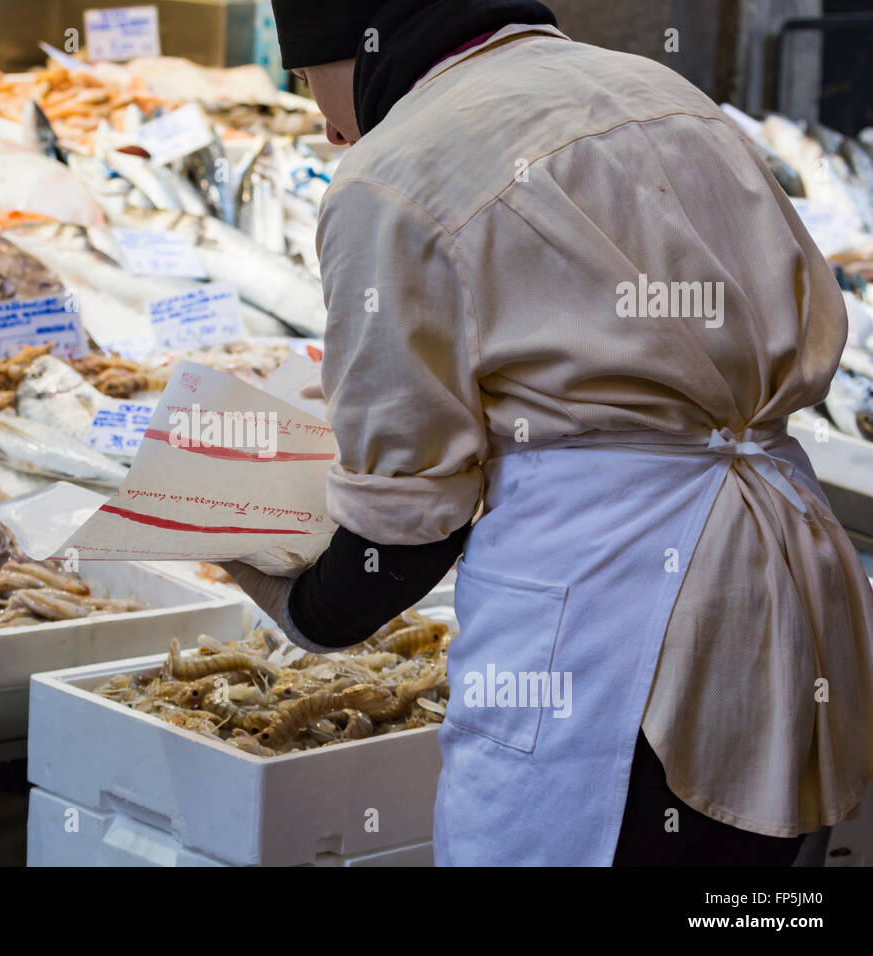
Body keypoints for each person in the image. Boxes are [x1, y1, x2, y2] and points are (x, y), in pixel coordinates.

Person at [222, 0, 873, 866]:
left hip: (615, 630)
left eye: (307, 80)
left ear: (358, 44)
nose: (325, 124)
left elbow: (408, 522)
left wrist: (292, 599)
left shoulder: (391, 170)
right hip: (793, 587)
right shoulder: (667, 92)